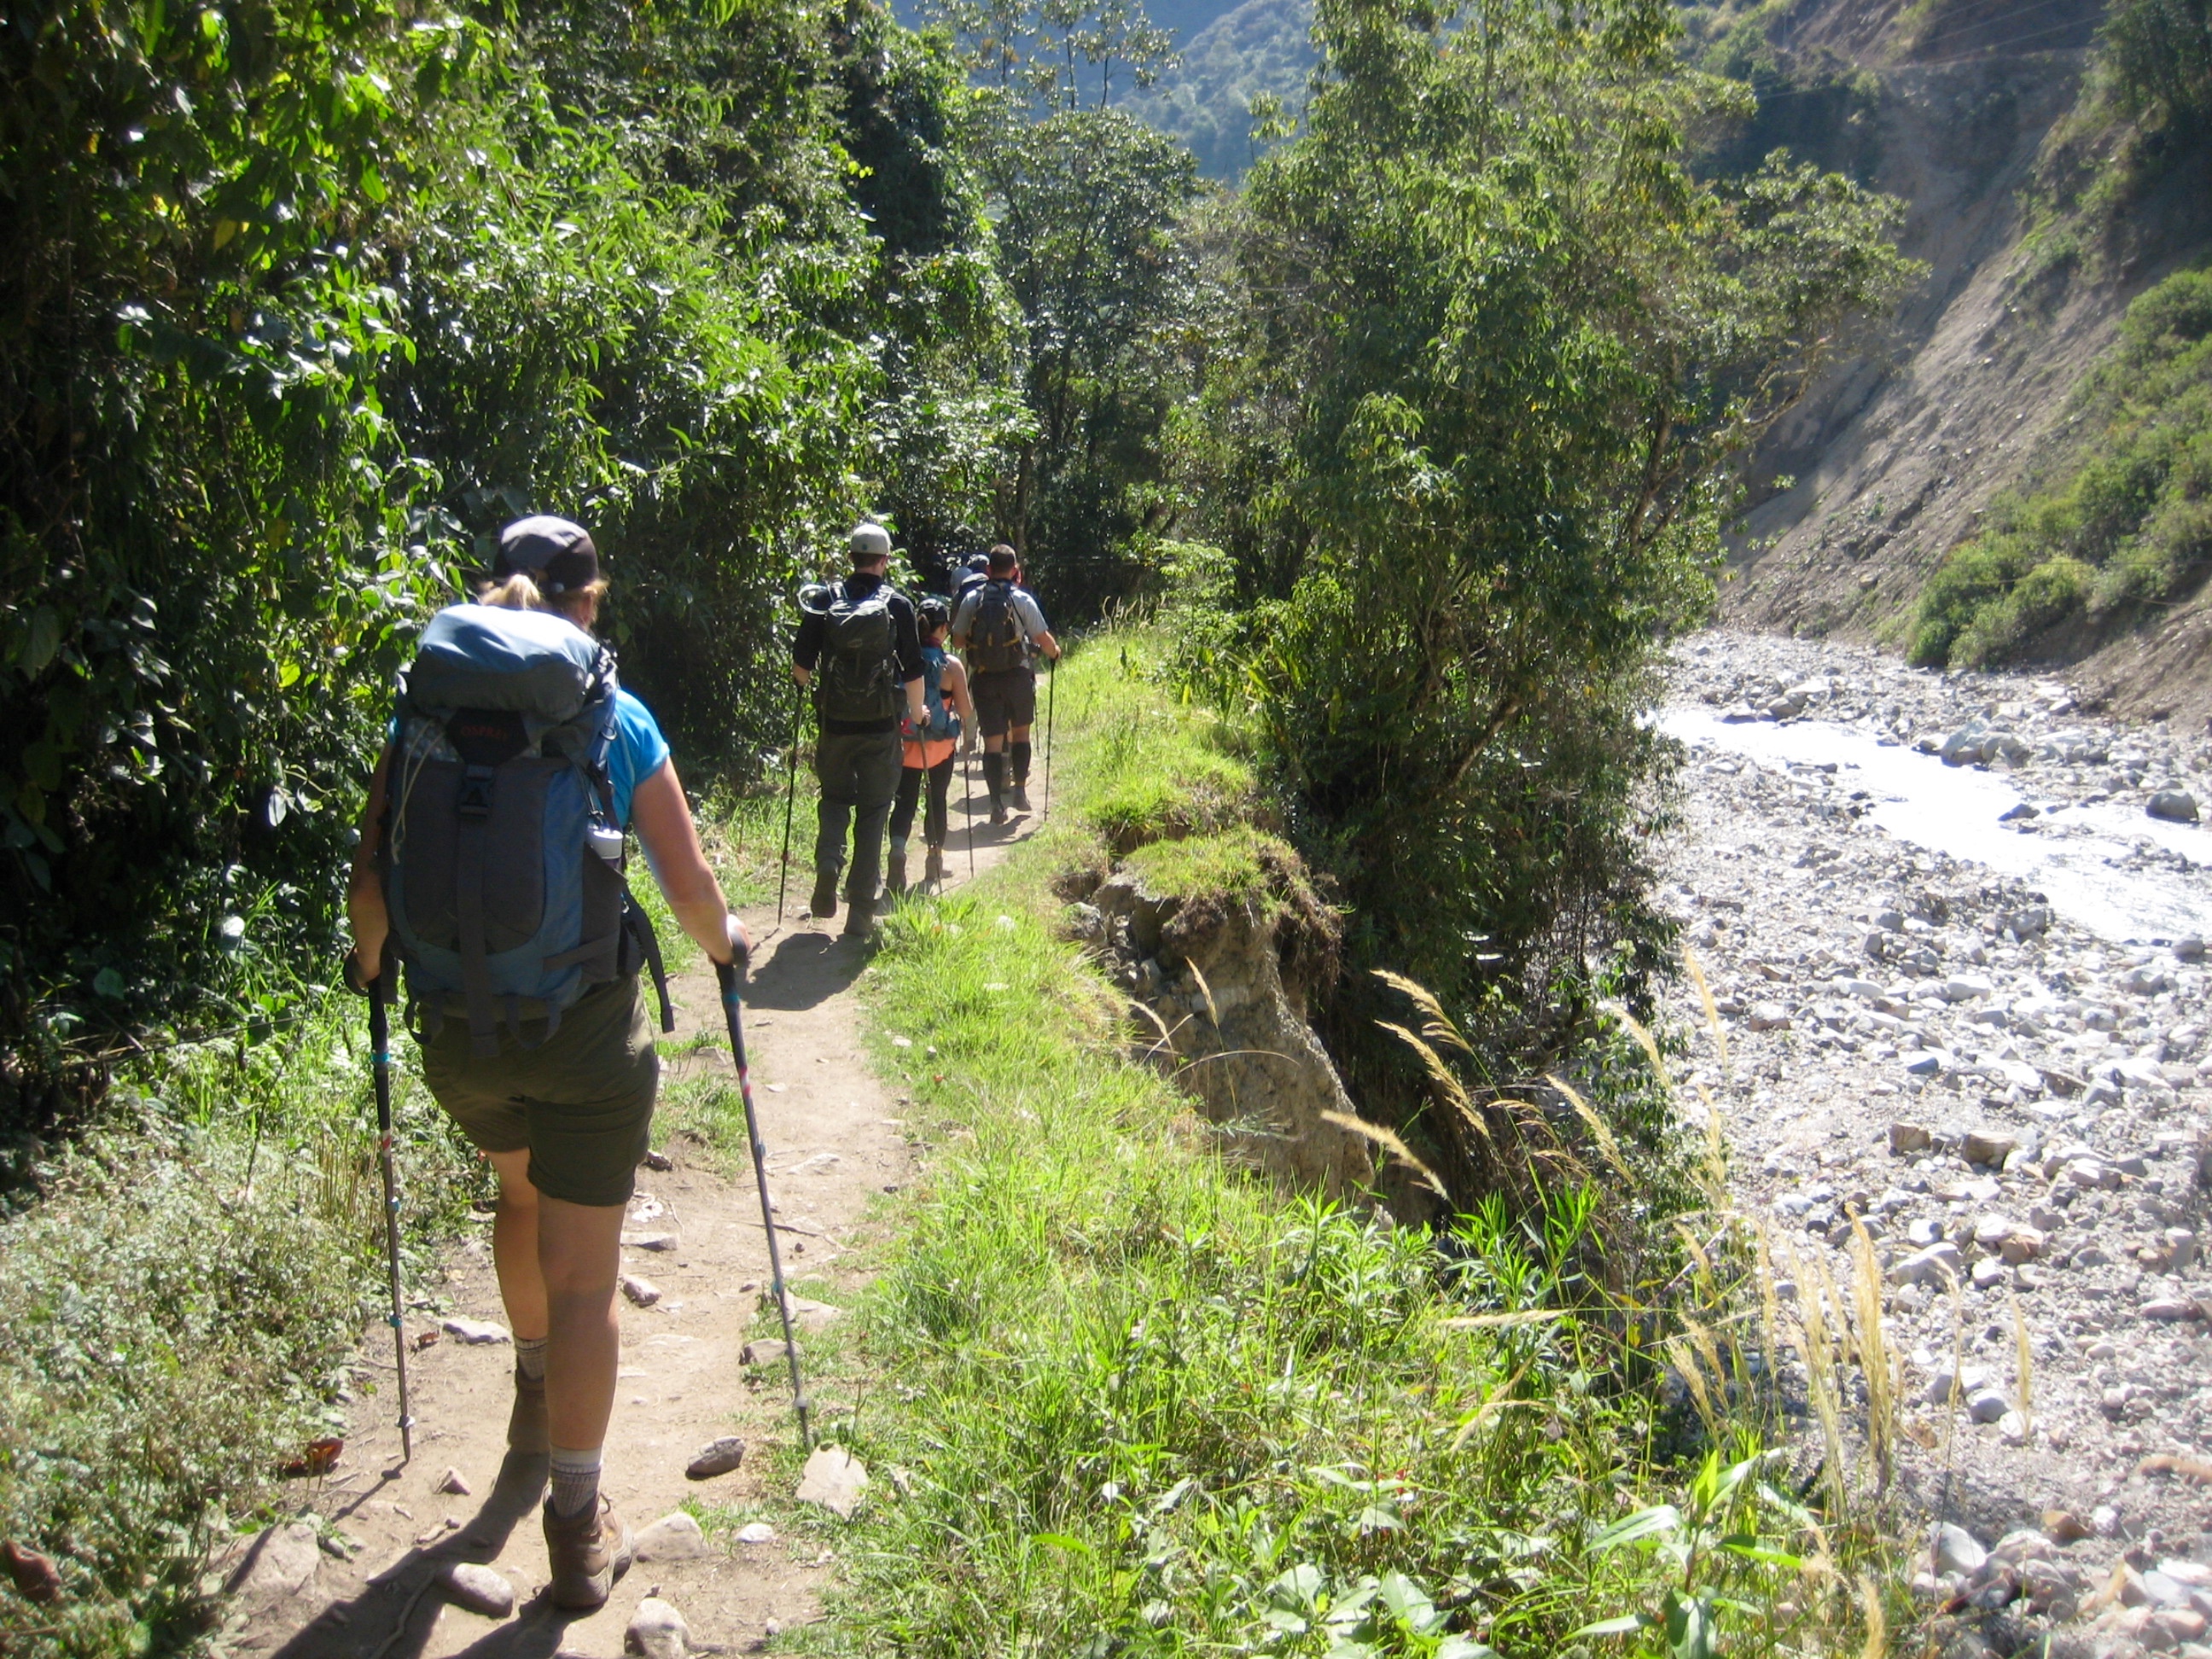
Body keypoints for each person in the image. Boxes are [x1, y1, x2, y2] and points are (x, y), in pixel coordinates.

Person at [346, 515, 748, 1612]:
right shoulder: (615, 715)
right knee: (588, 1274)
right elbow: (689, 884)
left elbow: (369, 891)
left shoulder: (425, 711)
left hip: (457, 1038)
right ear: (593, 600)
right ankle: (576, 1521)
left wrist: (376, 972)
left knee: (514, 1193)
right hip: (582, 1040)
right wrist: (729, 952)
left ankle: (529, 1385)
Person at [791, 521, 927, 940]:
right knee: (873, 811)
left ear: (851, 558)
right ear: (885, 560)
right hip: (881, 726)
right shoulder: (898, 606)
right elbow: (915, 669)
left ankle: (829, 863)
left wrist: (818, 693)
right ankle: (860, 913)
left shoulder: (824, 601)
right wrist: (918, 713)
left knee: (834, 799)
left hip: (835, 724)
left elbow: (801, 669)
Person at [950, 544, 1059, 823]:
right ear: (1014, 571)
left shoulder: (972, 599)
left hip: (985, 678)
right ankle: (1020, 791)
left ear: (988, 570)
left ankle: (996, 803)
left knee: (993, 743)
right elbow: (1043, 639)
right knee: (1020, 734)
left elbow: (958, 640)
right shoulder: (1022, 599)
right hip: (1018, 676)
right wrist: (1055, 652)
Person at [886, 598, 975, 896]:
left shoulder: (900, 661)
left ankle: (897, 852)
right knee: (936, 799)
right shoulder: (951, 665)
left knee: (904, 802)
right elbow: (965, 711)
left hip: (906, 745)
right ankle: (934, 858)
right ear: (943, 628)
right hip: (940, 747)